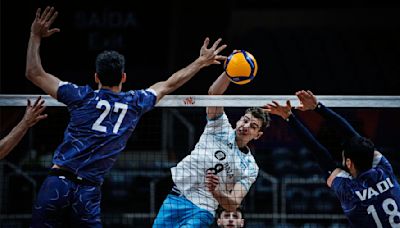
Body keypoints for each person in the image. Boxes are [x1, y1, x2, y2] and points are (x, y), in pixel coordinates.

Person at [26, 6, 227, 227]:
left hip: (58, 183)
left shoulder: (80, 96)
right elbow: (170, 83)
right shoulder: (134, 103)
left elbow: (34, 73)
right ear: (123, 76)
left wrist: (35, 35)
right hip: (88, 191)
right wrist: (200, 62)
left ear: (96, 77)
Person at [265, 90, 400, 227]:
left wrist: (291, 116)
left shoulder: (348, 191)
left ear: (348, 162)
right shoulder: (385, 171)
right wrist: (317, 107)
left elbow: (319, 152)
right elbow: (353, 139)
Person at [153, 72, 270, 227]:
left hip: (203, 208)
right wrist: (229, 72)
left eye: (253, 126)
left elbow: (233, 204)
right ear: (239, 120)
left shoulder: (250, 167)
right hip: (175, 198)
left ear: (258, 135)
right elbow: (214, 94)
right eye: (245, 120)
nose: (246, 126)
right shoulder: (220, 127)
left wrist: (215, 191)